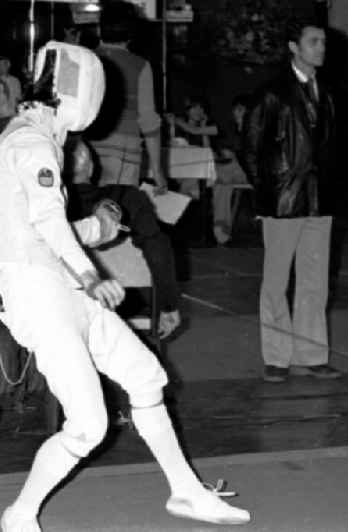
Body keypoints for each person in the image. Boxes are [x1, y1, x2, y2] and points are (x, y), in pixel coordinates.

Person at [0, 41, 249, 531]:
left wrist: (96, 230)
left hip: (57, 286)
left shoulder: (27, 140)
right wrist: (93, 277)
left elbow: (32, 227)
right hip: (40, 296)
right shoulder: (31, 144)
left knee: (145, 376)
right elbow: (47, 224)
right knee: (88, 425)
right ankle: (19, 515)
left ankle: (185, 492)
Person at [243, 17, 340, 383]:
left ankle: (312, 354)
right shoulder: (271, 93)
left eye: (324, 42)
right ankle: (277, 356)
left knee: (316, 282)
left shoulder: (327, 93)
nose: (322, 48)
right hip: (283, 200)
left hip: (319, 200)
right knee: (275, 282)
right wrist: (268, 190)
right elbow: (250, 149)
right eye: (314, 41)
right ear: (294, 48)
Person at [63, 136, 182, 339]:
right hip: (123, 304)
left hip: (62, 309)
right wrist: (168, 304)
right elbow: (157, 247)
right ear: (91, 168)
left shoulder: (43, 211)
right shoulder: (129, 198)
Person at [85, 1, 168, 194]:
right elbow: (148, 121)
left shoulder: (86, 59)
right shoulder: (140, 66)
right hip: (124, 153)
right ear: (131, 34)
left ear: (100, 28)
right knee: (118, 212)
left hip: (85, 150)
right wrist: (157, 170)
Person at [210, 94, 252, 245]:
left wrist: (235, 155)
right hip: (233, 172)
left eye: (241, 110)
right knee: (221, 185)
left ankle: (206, 181)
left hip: (253, 173)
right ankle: (221, 230)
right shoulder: (232, 130)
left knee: (221, 173)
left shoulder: (258, 128)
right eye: (235, 110)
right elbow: (226, 148)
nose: (237, 113)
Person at [0, 56, 22, 122]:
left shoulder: (15, 81)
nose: (0, 67)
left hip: (14, 117)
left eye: (3, 64)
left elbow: (18, 99)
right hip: (1, 117)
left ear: (9, 64)